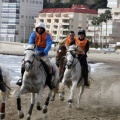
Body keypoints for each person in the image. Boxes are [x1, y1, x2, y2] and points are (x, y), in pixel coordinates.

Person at [16, 22, 55, 90]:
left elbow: (49, 44)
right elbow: (30, 42)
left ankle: (49, 82)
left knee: (49, 66)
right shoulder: (33, 34)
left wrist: (44, 51)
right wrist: (32, 50)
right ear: (37, 29)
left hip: (43, 54)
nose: (39, 29)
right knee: (23, 64)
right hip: (34, 53)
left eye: (41, 28)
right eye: (38, 28)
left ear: (43, 29)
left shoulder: (47, 35)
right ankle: (22, 79)